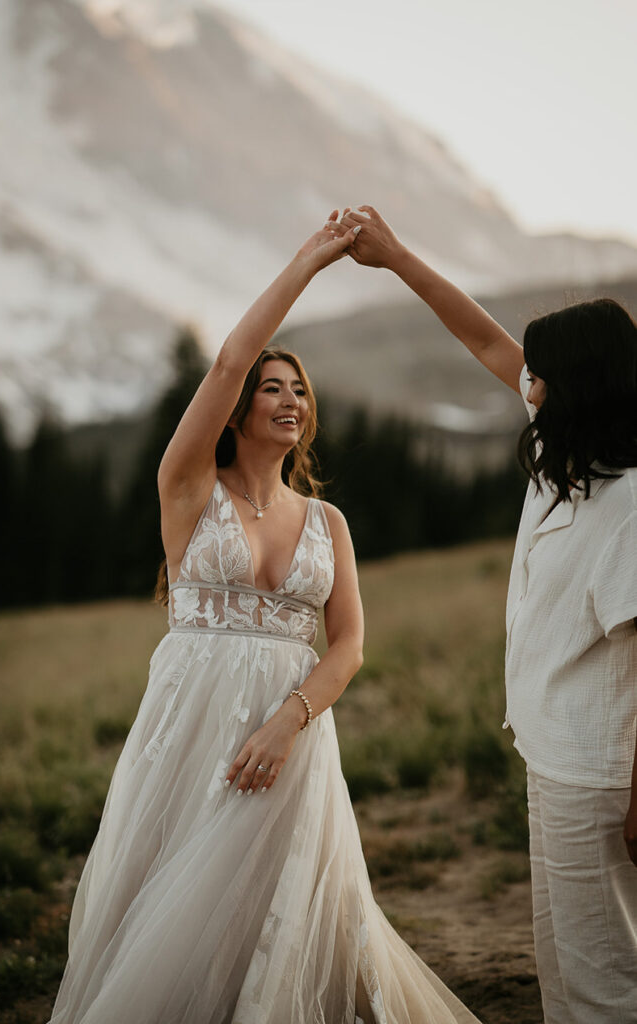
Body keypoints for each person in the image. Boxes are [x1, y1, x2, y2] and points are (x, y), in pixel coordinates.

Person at [48, 214, 482, 1024]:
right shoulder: (187, 490)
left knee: (277, 904)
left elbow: (348, 644)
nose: (289, 399)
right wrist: (308, 263)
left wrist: (290, 720)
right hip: (190, 724)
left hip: (293, 729)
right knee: (173, 899)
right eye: (271, 387)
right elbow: (225, 360)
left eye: (300, 390)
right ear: (241, 407)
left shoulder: (330, 524)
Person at [338, 205, 637, 1023]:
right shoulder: (563, 458)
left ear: (577, 384)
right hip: (554, 757)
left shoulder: (630, 502)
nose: (523, 384)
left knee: (602, 977)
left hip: (600, 775)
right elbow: (479, 337)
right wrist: (396, 256)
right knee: (563, 960)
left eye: (537, 375)